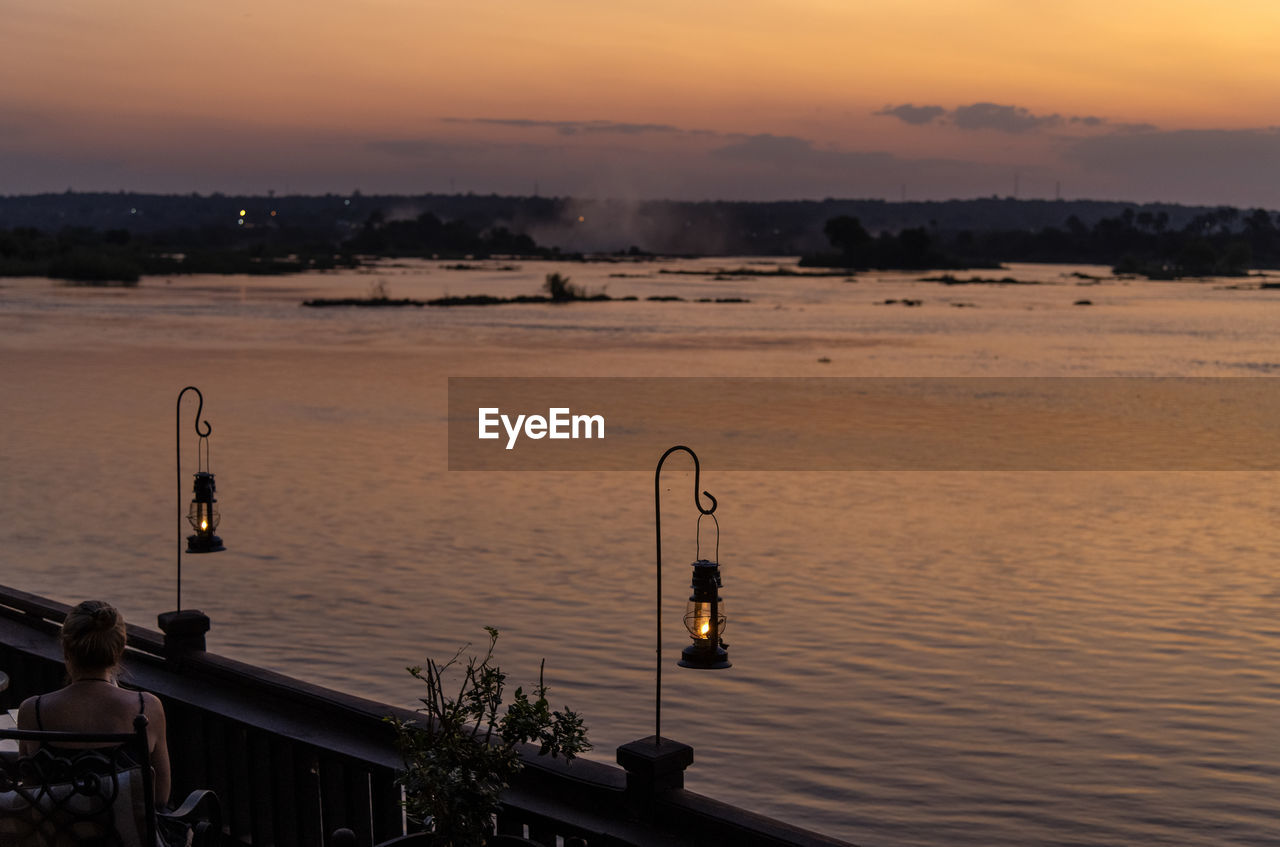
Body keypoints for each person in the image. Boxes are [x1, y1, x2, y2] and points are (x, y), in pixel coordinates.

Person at [16, 599, 172, 808]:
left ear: (66, 650)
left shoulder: (32, 710)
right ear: (118, 651)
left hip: (58, 837)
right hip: (125, 838)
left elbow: (30, 791)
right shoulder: (147, 707)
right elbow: (160, 797)